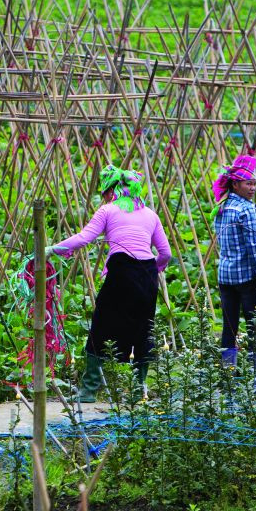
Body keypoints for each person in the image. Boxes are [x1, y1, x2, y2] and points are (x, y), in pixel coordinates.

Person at [50, 165, 171, 402]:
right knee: (143, 328)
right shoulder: (150, 214)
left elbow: (84, 238)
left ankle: (88, 391)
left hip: (121, 271)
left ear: (113, 191)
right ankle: (138, 391)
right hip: (147, 275)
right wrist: (149, 270)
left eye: (105, 192)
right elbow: (165, 253)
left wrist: (52, 249)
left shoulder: (108, 210)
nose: (104, 197)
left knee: (102, 326)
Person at [212, 153, 256, 392]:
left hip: (225, 277)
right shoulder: (246, 210)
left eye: (255, 184)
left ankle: (228, 380)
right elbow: (253, 247)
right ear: (235, 184)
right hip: (246, 279)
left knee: (229, 328)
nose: (253, 188)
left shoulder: (223, 206)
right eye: (248, 184)